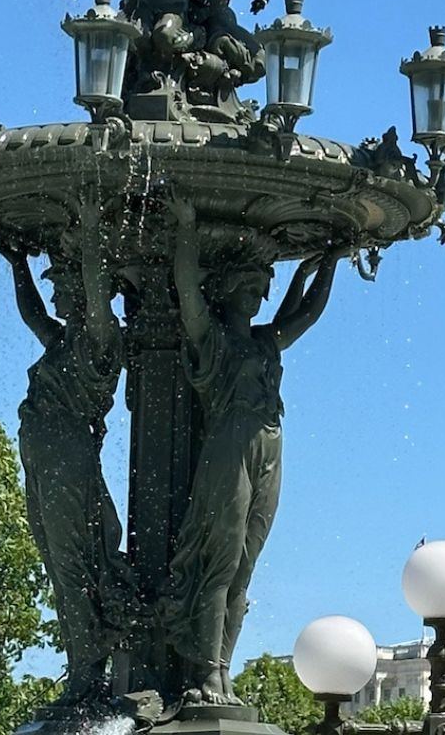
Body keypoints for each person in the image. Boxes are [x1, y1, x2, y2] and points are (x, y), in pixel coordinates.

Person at [162, 197, 345, 706]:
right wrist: (186, 228)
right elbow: (184, 292)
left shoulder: (267, 344)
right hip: (230, 444)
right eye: (245, 285)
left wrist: (328, 262)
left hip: (270, 442)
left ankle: (223, 668)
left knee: (246, 566)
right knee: (220, 563)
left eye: (259, 287)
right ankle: (204, 674)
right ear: (223, 290)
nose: (255, 293)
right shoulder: (213, 341)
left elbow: (304, 312)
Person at [2, 196, 131, 713]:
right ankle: (84, 668)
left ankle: (88, 675)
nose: (52, 292)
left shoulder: (99, 339)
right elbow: (31, 311)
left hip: (67, 464)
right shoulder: (61, 342)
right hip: (43, 463)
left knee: (73, 566)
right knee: (60, 567)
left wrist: (95, 234)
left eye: (61, 284)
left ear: (82, 289)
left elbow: (100, 297)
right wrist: (17, 266)